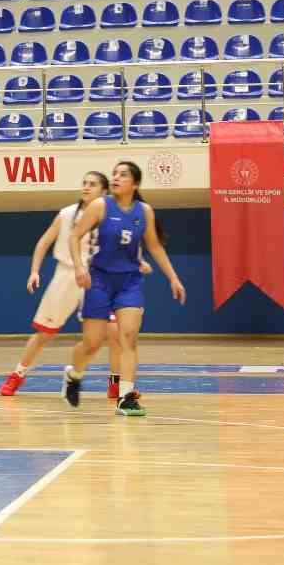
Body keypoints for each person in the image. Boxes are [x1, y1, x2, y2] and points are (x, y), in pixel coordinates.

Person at [0, 171, 148, 398]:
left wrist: (140, 262)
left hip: (99, 278)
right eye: (84, 183)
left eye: (93, 184)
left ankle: (115, 384)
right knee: (44, 334)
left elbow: (123, 248)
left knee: (116, 332)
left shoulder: (110, 214)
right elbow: (43, 243)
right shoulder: (67, 214)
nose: (86, 187)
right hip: (67, 275)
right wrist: (34, 271)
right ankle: (17, 375)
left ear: (104, 191)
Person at [62, 161, 186, 417]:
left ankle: (126, 397)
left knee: (128, 336)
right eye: (114, 174)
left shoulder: (144, 211)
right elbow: (74, 236)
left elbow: (155, 246)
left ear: (135, 183)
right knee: (92, 344)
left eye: (123, 175)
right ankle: (73, 375)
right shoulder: (100, 206)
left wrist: (173, 278)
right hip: (99, 280)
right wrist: (78, 268)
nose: (116, 178)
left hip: (129, 281)